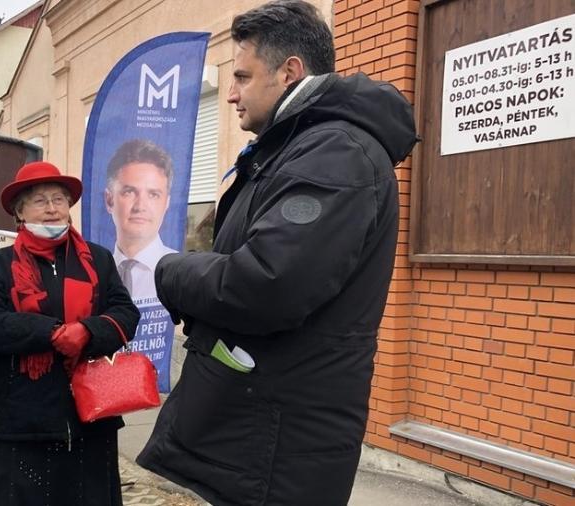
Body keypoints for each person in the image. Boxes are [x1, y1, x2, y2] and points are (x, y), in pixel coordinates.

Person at [136, 2, 417, 505]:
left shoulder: (336, 153)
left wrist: (168, 269)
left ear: (290, 72)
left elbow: (266, 284)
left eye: (242, 76)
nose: (230, 94)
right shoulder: (296, 147)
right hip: (247, 436)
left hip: (270, 453)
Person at [0, 161, 140, 506]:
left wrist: (87, 332)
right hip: (24, 424)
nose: (51, 208)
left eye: (59, 199)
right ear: (20, 212)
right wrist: (50, 333)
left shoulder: (97, 259)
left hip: (92, 421)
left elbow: (126, 315)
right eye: (39, 200)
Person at [104, 139, 177, 302]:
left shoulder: (183, 275)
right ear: (109, 200)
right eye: (129, 192)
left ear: (166, 203)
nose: (140, 206)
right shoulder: (93, 273)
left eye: (153, 195)